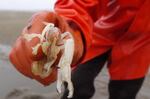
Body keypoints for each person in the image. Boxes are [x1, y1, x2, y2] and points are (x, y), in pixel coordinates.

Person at [9, 0, 150, 99]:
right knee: (77, 84)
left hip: (141, 45)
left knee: (124, 94)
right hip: (101, 33)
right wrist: (71, 24)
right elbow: (80, 3)